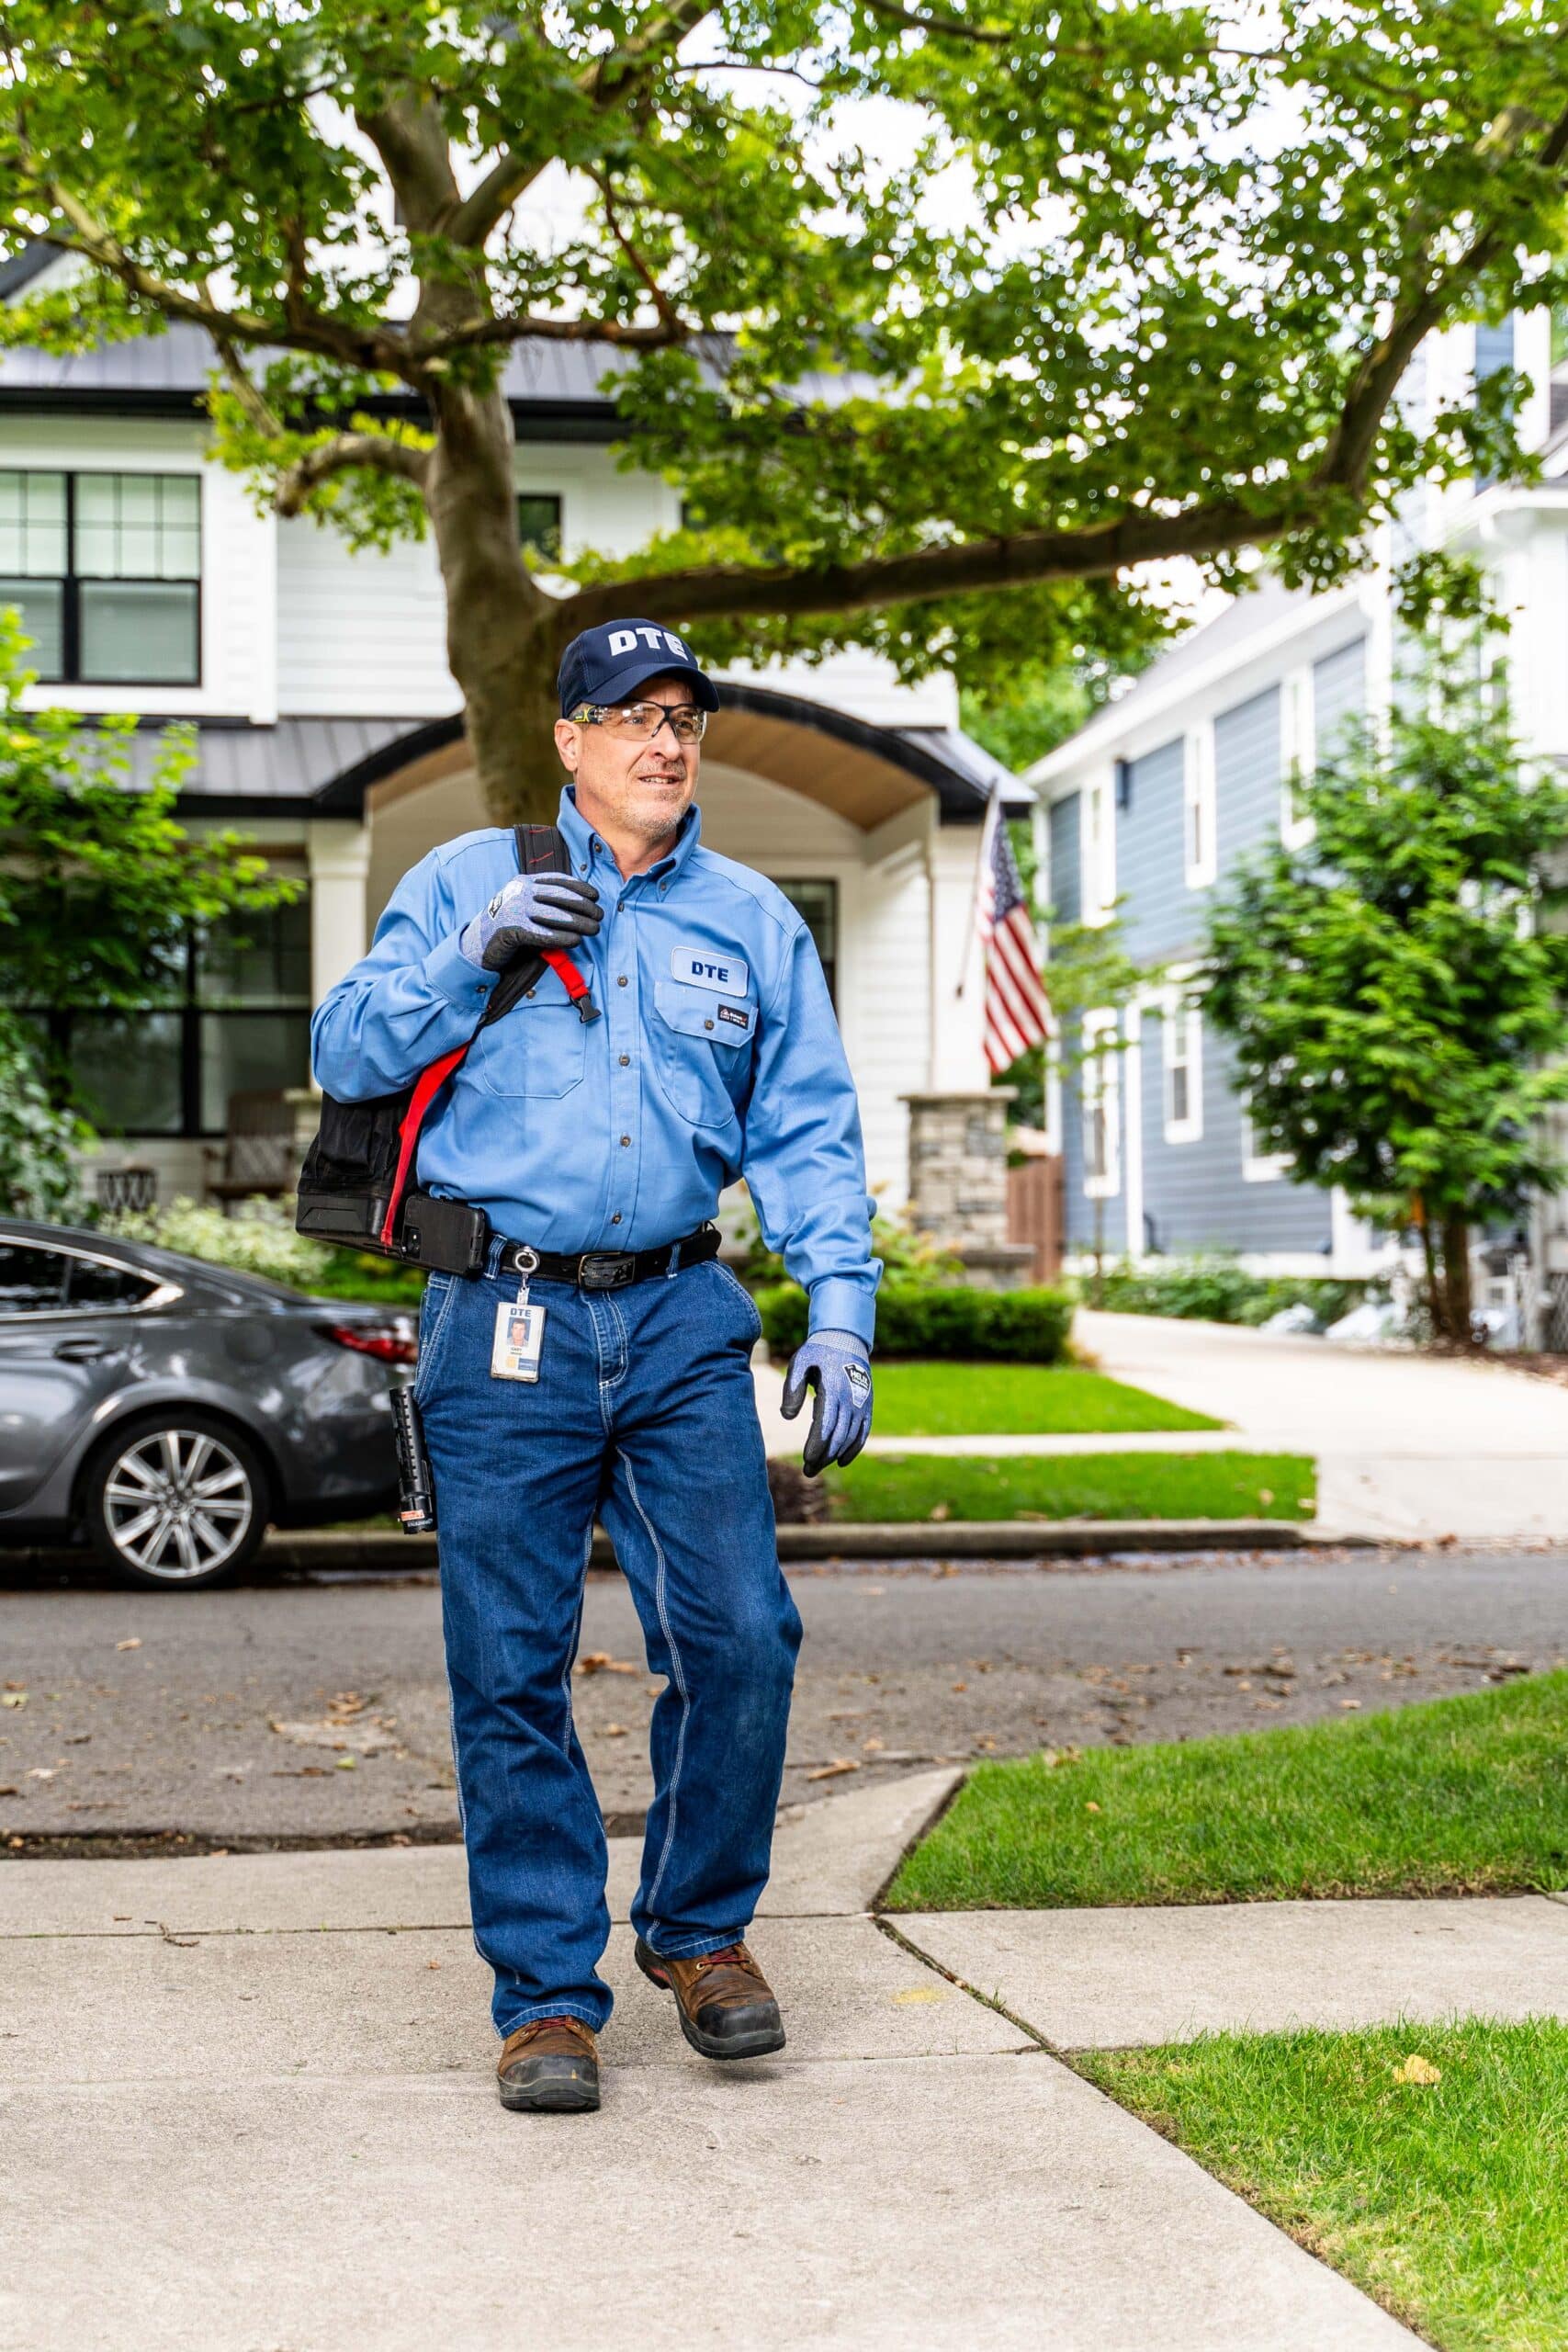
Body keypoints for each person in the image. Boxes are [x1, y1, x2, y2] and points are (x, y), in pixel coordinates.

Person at [311, 617, 879, 2115]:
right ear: (569, 740)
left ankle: (700, 1935)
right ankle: (547, 1998)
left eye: (685, 714)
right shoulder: (463, 880)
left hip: (685, 1314)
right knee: (511, 1665)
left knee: (745, 1635)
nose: (665, 739)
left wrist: (841, 1308)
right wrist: (474, 952)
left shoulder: (754, 919)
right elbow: (347, 1049)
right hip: (507, 1320)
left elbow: (808, 1127)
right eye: (630, 714)